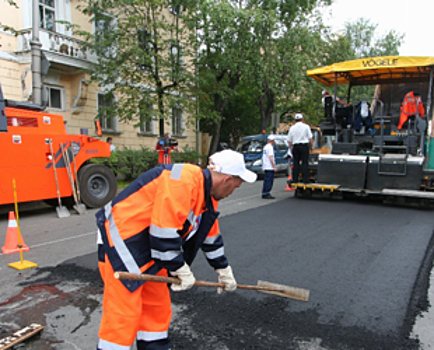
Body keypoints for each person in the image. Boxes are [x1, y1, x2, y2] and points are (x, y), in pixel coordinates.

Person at [95, 149, 257, 350]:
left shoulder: (207, 195)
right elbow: (163, 232)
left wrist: (223, 270)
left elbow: (210, 236)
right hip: (120, 243)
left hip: (149, 248)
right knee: (123, 314)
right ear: (226, 179)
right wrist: (180, 268)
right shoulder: (183, 180)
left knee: (157, 308)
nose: (233, 191)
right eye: (235, 186)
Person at [287, 113, 313, 184]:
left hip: (296, 146)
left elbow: (289, 140)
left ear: (295, 120)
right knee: (305, 163)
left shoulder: (292, 128)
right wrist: (312, 146)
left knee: (296, 163)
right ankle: (306, 180)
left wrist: (291, 148)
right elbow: (310, 138)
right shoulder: (306, 127)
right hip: (304, 146)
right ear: (302, 119)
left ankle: (295, 179)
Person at [261, 134, 277, 199]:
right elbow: (271, 157)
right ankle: (267, 192)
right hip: (269, 166)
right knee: (269, 180)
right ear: (272, 141)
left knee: (266, 180)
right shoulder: (270, 147)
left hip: (265, 166)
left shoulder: (265, 147)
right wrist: (274, 166)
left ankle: (264, 192)